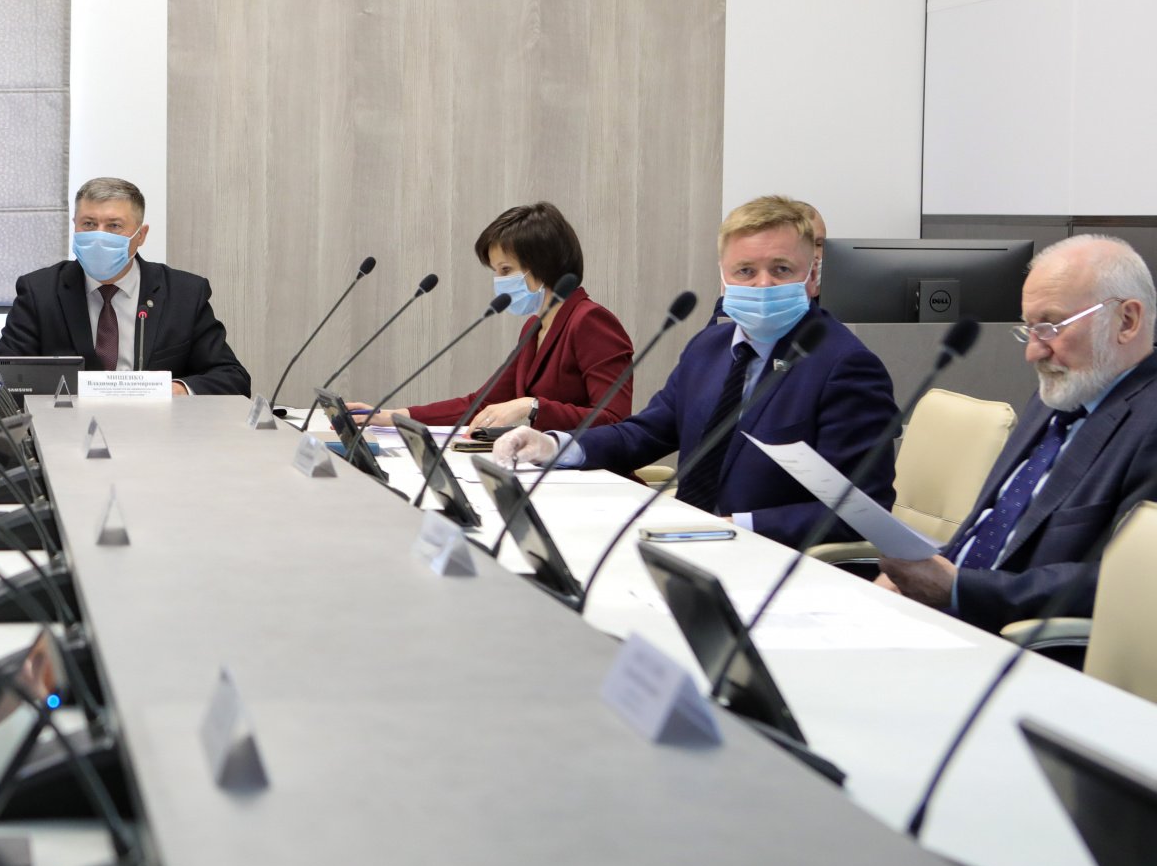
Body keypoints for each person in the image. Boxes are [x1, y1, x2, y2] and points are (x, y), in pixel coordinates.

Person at [493, 196, 899, 544]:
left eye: (781, 269)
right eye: (745, 271)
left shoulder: (845, 365)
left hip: (778, 563)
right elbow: (644, 434)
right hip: (689, 545)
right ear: (723, 278)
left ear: (811, 277)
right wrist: (554, 446)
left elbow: (862, 511)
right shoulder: (709, 348)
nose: (762, 285)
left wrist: (737, 526)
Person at [878, 235, 1157, 629]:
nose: (1033, 352)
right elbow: (992, 525)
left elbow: (1125, 582)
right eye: (1029, 330)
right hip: (941, 616)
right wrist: (919, 573)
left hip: (1017, 640)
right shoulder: (1056, 396)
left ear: (1126, 321)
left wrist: (958, 590)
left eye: (1052, 326)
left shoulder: (1147, 424)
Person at [358, 202, 634, 433]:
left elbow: (614, 420)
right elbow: (481, 403)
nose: (499, 281)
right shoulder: (534, 327)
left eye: (506, 270)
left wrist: (532, 406)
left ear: (543, 265)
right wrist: (393, 416)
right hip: (549, 470)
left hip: (594, 474)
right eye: (496, 271)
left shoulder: (590, 321)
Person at [0, 177, 250, 396]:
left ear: (141, 235)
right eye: (89, 224)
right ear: (75, 226)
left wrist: (177, 390)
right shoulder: (40, 291)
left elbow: (232, 378)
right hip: (67, 430)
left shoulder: (184, 294)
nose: (99, 235)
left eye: (114, 226)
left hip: (157, 431)